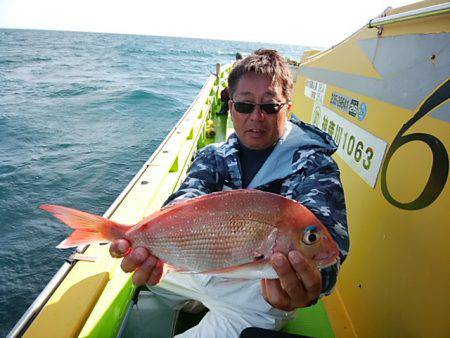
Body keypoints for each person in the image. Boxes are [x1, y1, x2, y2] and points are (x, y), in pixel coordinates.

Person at [110, 49, 349, 337]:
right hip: (206, 264)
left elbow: (329, 248)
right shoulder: (214, 155)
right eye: (246, 106)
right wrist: (150, 240)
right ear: (232, 107)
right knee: (148, 280)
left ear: (288, 107)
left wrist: (313, 284)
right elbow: (188, 196)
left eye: (270, 106)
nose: (257, 117)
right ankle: (191, 304)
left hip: (259, 291)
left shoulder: (314, 165)